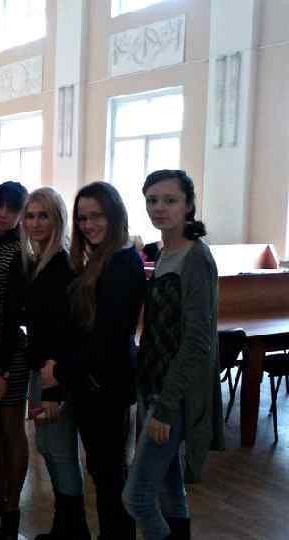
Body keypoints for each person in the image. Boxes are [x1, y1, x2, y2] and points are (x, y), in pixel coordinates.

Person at [123, 170, 224, 540]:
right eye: (152, 200)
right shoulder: (165, 251)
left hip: (172, 394)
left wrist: (166, 407)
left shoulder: (197, 257)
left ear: (189, 205)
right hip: (152, 384)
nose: (159, 208)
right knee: (168, 487)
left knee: (136, 497)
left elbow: (198, 340)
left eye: (170, 200)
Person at [43, 181, 146, 539]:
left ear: (115, 215)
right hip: (91, 382)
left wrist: (60, 369)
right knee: (103, 472)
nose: (88, 225)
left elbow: (108, 338)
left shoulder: (122, 262)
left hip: (106, 384)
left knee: (109, 474)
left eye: (97, 216)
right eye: (83, 218)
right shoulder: (100, 258)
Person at [0, 187, 91, 540]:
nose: (35, 223)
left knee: (60, 450)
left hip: (54, 375)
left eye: (43, 216)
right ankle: (65, 526)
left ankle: (73, 529)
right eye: (31, 216)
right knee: (49, 448)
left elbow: (68, 331)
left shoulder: (63, 264)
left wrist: (54, 390)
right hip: (41, 369)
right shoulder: (36, 261)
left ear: (58, 219)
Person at [0, 181, 30, 539]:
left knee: (12, 429)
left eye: (11, 209)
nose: (2, 213)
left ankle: (12, 506)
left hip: (10, 350)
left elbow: (14, 314)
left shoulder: (20, 250)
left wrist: (1, 367)